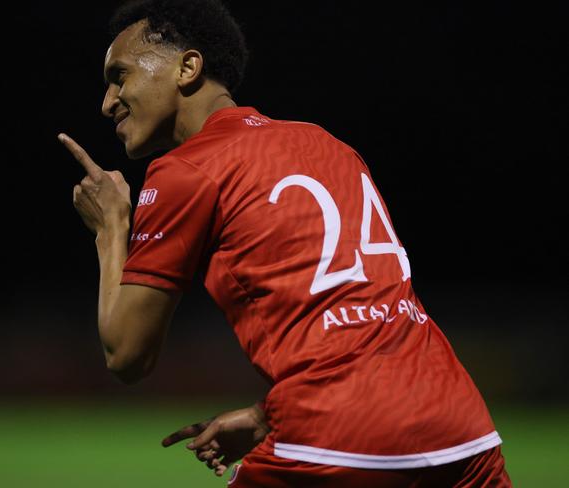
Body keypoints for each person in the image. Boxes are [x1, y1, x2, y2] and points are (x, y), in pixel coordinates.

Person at [58, 0, 512, 486]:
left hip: (338, 432)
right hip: (460, 425)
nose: (107, 102)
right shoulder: (328, 144)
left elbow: (127, 355)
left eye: (120, 76)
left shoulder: (186, 170)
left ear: (187, 68)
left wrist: (111, 230)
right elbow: (360, 316)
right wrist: (264, 416)